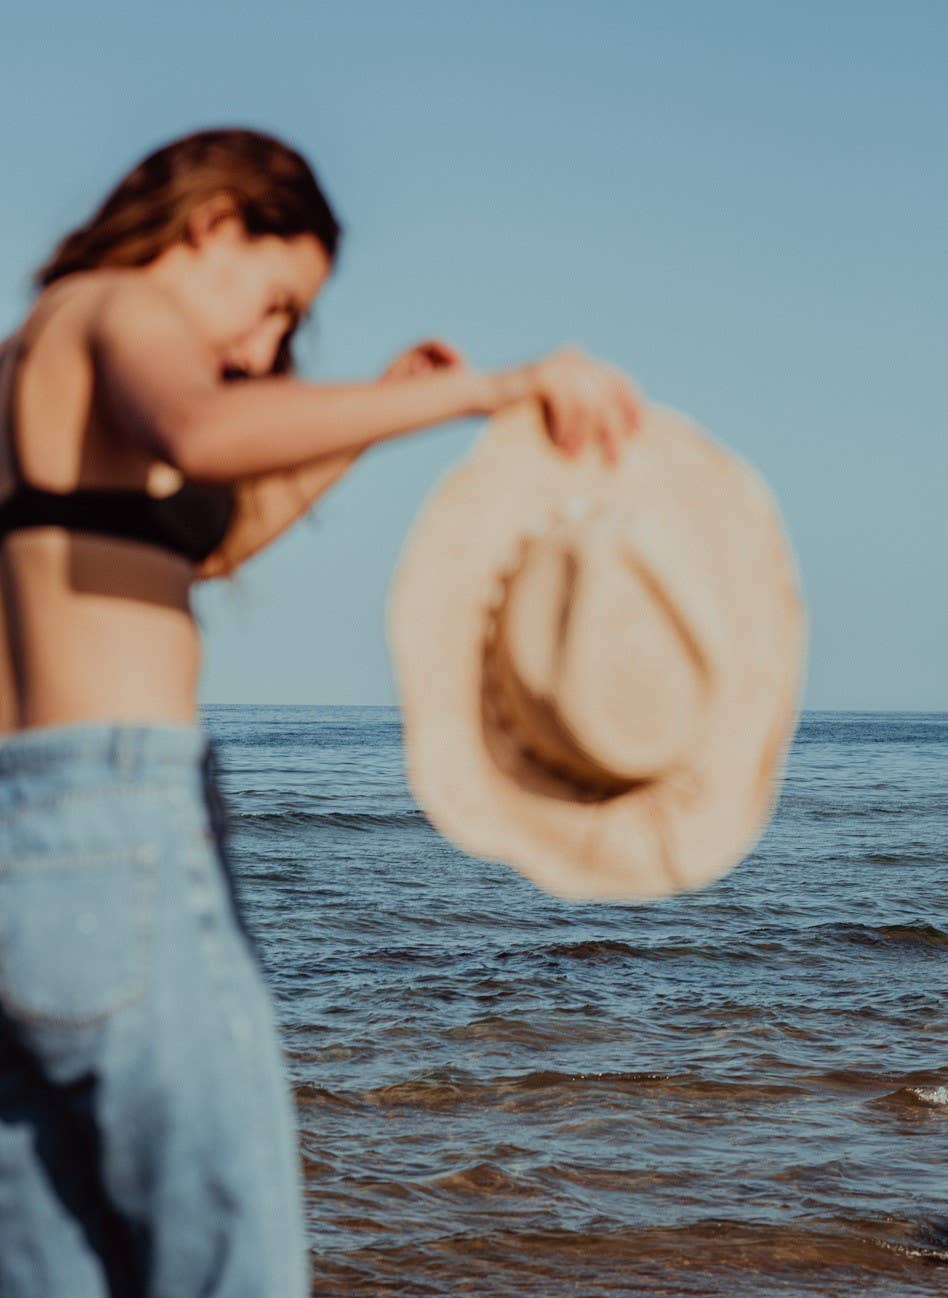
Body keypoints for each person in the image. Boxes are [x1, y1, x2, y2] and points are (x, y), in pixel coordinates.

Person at [0, 126, 641, 1297]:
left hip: (20, 842)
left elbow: (203, 540)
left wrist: (382, 407)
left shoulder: (34, 352)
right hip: (115, 817)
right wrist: (486, 388)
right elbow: (203, 432)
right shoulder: (123, 308)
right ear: (214, 223)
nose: (265, 346)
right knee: (231, 1261)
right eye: (277, 302)